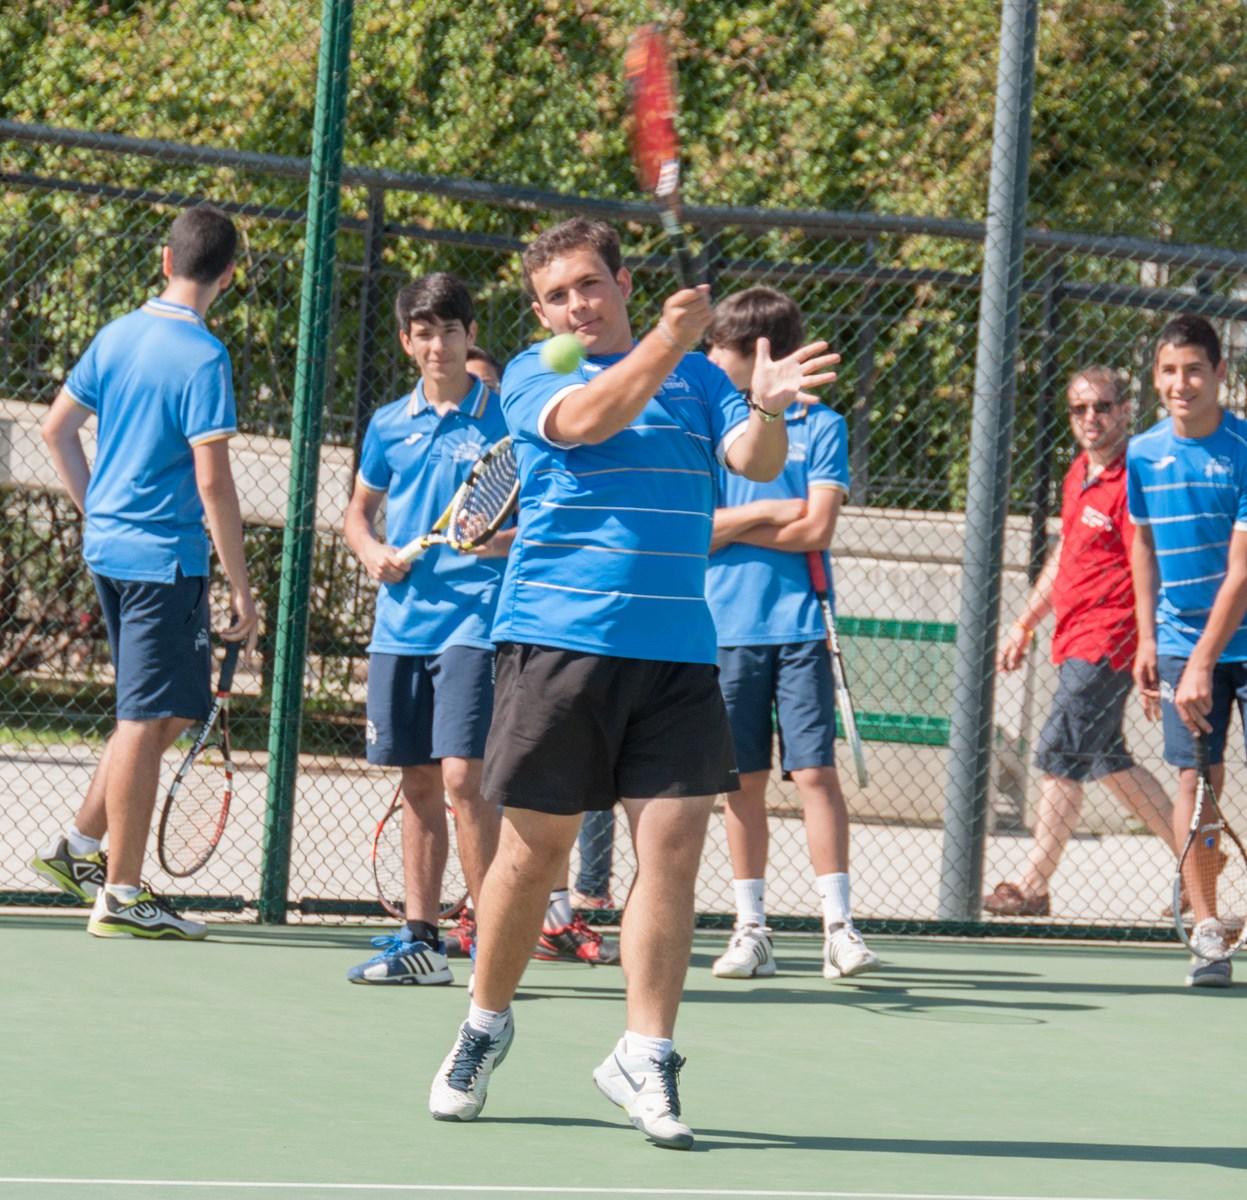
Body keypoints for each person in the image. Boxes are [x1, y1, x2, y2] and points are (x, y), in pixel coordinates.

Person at [427, 218, 837, 1148]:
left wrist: (766, 407)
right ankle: (483, 1025)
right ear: (542, 312)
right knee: (533, 855)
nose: (577, 304)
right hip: (556, 643)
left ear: (621, 281)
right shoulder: (535, 373)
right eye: (557, 295)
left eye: (589, 284)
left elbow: (754, 463)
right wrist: (666, 339)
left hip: (679, 650)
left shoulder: (699, 379)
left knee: (675, 848)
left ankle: (645, 1053)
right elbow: (590, 421)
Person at [31, 204, 257, 939]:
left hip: (113, 553)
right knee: (142, 717)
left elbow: (56, 430)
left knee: (170, 711)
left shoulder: (116, 334)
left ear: (166, 259)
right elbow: (214, 482)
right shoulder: (205, 356)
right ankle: (122, 893)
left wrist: (99, 511)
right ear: (229, 275)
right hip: (163, 560)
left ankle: (79, 848)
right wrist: (242, 587)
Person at [701, 287, 879, 981]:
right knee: (740, 783)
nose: (709, 360)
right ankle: (752, 931)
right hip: (726, 630)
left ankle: (838, 927)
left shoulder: (822, 425)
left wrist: (742, 525)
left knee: (814, 775)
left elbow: (818, 528)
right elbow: (699, 533)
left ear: (759, 353)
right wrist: (774, 509)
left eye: (718, 349)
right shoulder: (716, 430)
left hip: (802, 629)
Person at [342, 272, 510, 984]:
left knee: (463, 778)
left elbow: (539, 520)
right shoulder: (389, 424)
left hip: (476, 619)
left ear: (470, 336)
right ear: (406, 342)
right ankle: (421, 940)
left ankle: (493, 939)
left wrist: (495, 543)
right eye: (423, 332)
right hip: (400, 627)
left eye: (449, 330)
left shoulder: (506, 419)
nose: (437, 344)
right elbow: (357, 514)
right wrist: (371, 551)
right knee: (417, 780)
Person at [985, 366, 1175, 918]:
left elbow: (1151, 568)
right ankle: (1198, 862)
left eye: (1102, 407)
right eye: (1079, 408)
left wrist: (1151, 649)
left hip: (1108, 641)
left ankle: (1033, 885)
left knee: (1060, 755)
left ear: (1124, 411)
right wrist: (1024, 623)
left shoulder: (1134, 478)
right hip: (1073, 636)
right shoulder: (1078, 474)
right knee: (1108, 761)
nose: (1091, 417)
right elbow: (1065, 555)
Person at [1128, 315, 1246, 987]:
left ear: (1219, 373)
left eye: (1194, 370)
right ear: (1155, 378)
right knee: (1195, 784)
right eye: (1169, 371)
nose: (1182, 383)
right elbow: (1141, 543)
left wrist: (1202, 660)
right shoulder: (1142, 454)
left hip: (1231, 644)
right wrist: (1148, 637)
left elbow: (1242, 572)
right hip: (1177, 643)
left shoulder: (1244, 450)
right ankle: (1206, 929)